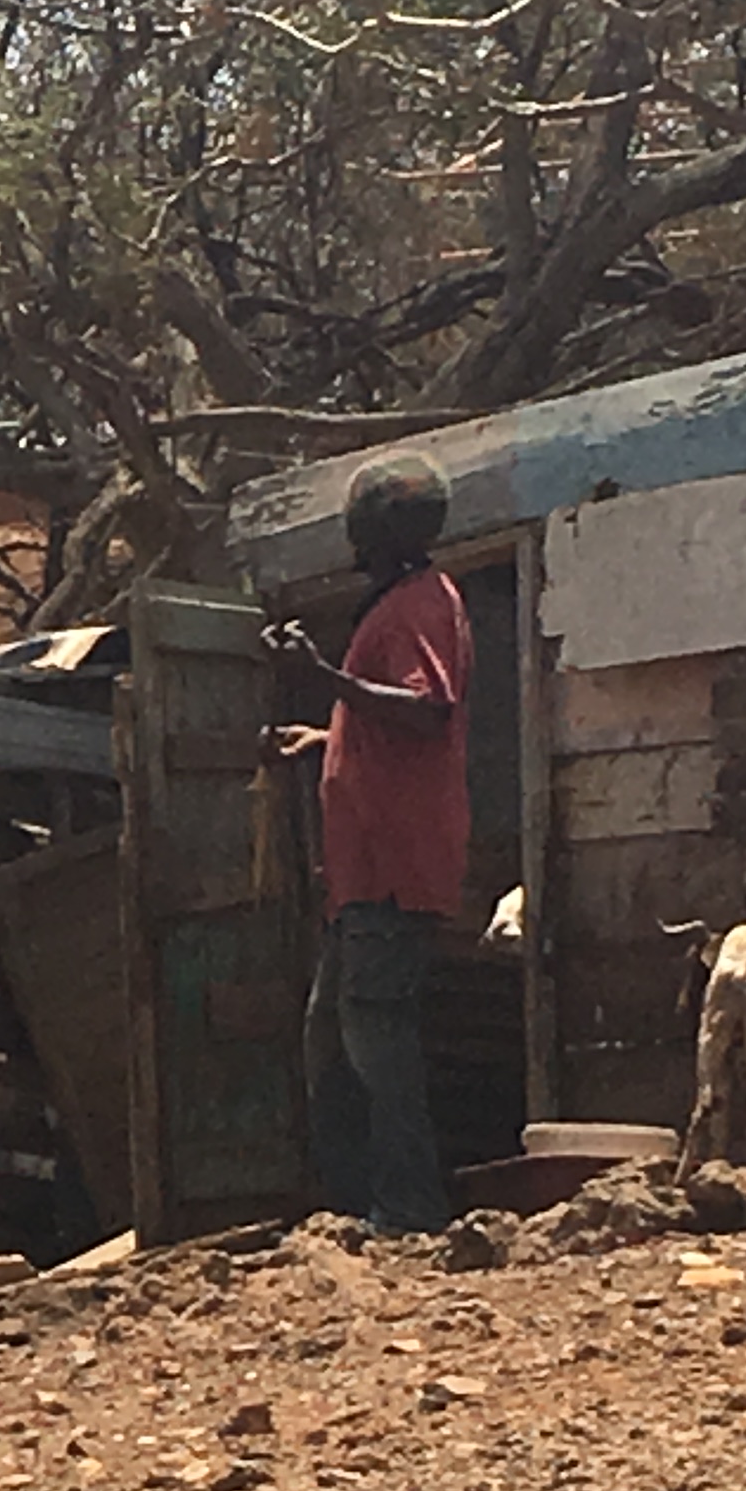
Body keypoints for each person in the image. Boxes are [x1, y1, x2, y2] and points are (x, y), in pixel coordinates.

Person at [263, 454, 471, 1235]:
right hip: (364, 879)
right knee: (336, 1043)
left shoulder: (415, 606)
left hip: (391, 873)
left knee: (376, 1046)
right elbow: (397, 734)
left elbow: (428, 713)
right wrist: (328, 738)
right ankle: (354, 1209)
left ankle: (405, 1210)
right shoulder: (409, 601)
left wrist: (325, 677)